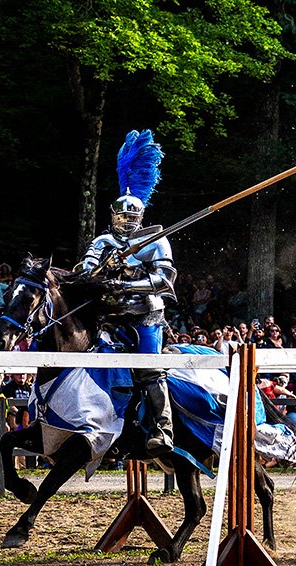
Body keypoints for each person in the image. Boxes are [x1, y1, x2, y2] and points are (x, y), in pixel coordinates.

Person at [74, 129, 176, 456]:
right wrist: (101, 270)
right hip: (110, 317)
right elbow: (84, 269)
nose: (127, 221)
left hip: (146, 315)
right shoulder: (103, 242)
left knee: (150, 368)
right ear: (113, 216)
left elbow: (164, 280)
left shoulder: (156, 240)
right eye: (122, 216)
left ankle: (163, 428)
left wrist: (126, 279)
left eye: (132, 216)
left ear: (140, 216)